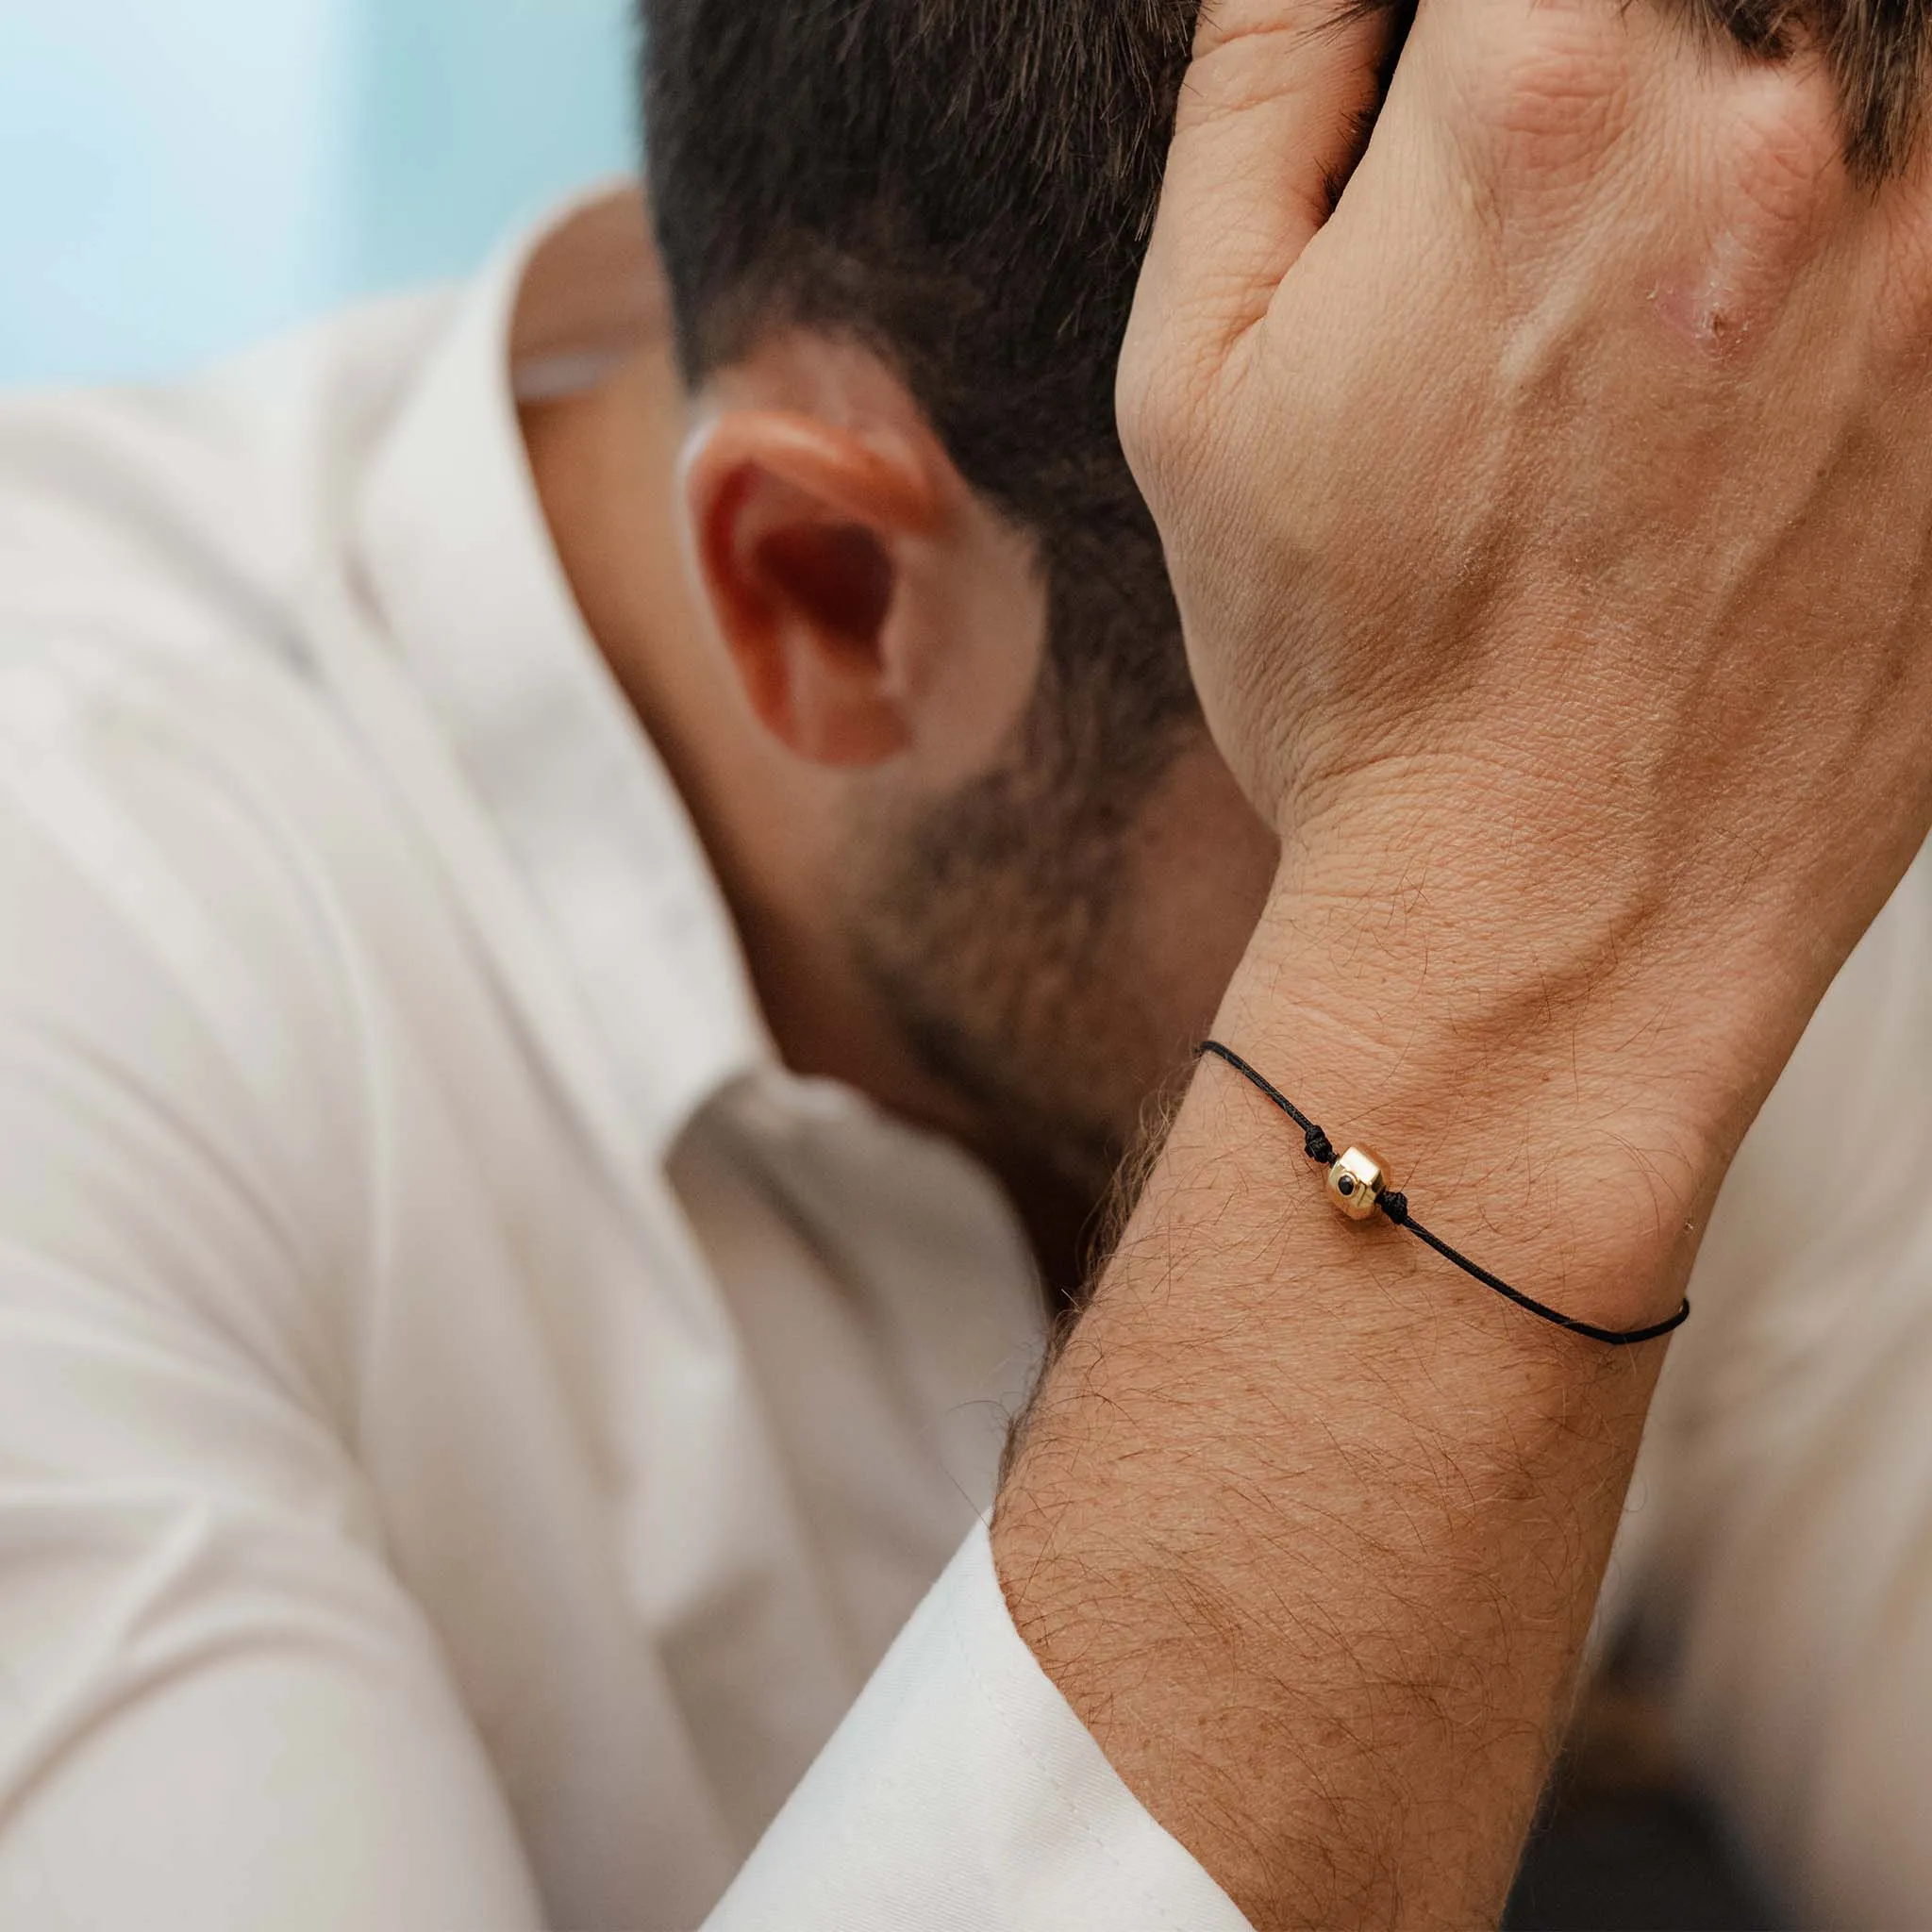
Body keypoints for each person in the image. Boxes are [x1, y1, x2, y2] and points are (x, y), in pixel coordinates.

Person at [2, 2, 1931, 1928]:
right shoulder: (85, 958)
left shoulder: (1700, 532)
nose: (1692, 823)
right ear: (831, 596)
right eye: (1427, 752)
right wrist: (1495, 938)